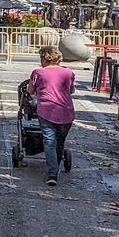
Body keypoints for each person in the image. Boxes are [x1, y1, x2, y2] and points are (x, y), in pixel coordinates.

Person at [30, 45, 76, 187]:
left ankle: (52, 173)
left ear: (44, 58)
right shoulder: (68, 73)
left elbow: (31, 90)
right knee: (59, 141)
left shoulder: (38, 72)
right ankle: (55, 168)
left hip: (47, 110)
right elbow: (71, 90)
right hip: (66, 111)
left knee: (49, 141)